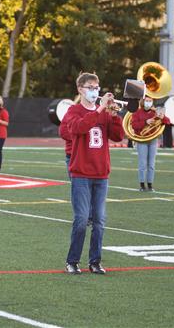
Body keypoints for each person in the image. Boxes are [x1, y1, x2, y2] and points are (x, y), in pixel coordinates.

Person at [64, 72, 124, 275]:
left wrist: (115, 116)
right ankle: (72, 260)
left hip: (101, 173)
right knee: (81, 219)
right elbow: (79, 128)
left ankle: (95, 261)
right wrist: (100, 108)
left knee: (99, 221)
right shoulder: (74, 111)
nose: (95, 91)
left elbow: (117, 136)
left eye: (97, 87)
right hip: (81, 172)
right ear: (80, 89)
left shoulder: (105, 112)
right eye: (91, 87)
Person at [131, 96, 170, 191]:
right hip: (142, 140)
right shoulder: (137, 112)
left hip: (153, 140)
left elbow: (168, 122)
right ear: (143, 102)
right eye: (147, 101)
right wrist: (146, 122)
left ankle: (150, 184)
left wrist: (162, 117)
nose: (148, 102)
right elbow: (134, 125)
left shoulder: (155, 112)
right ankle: (142, 185)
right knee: (142, 164)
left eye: (150, 101)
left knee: (151, 164)